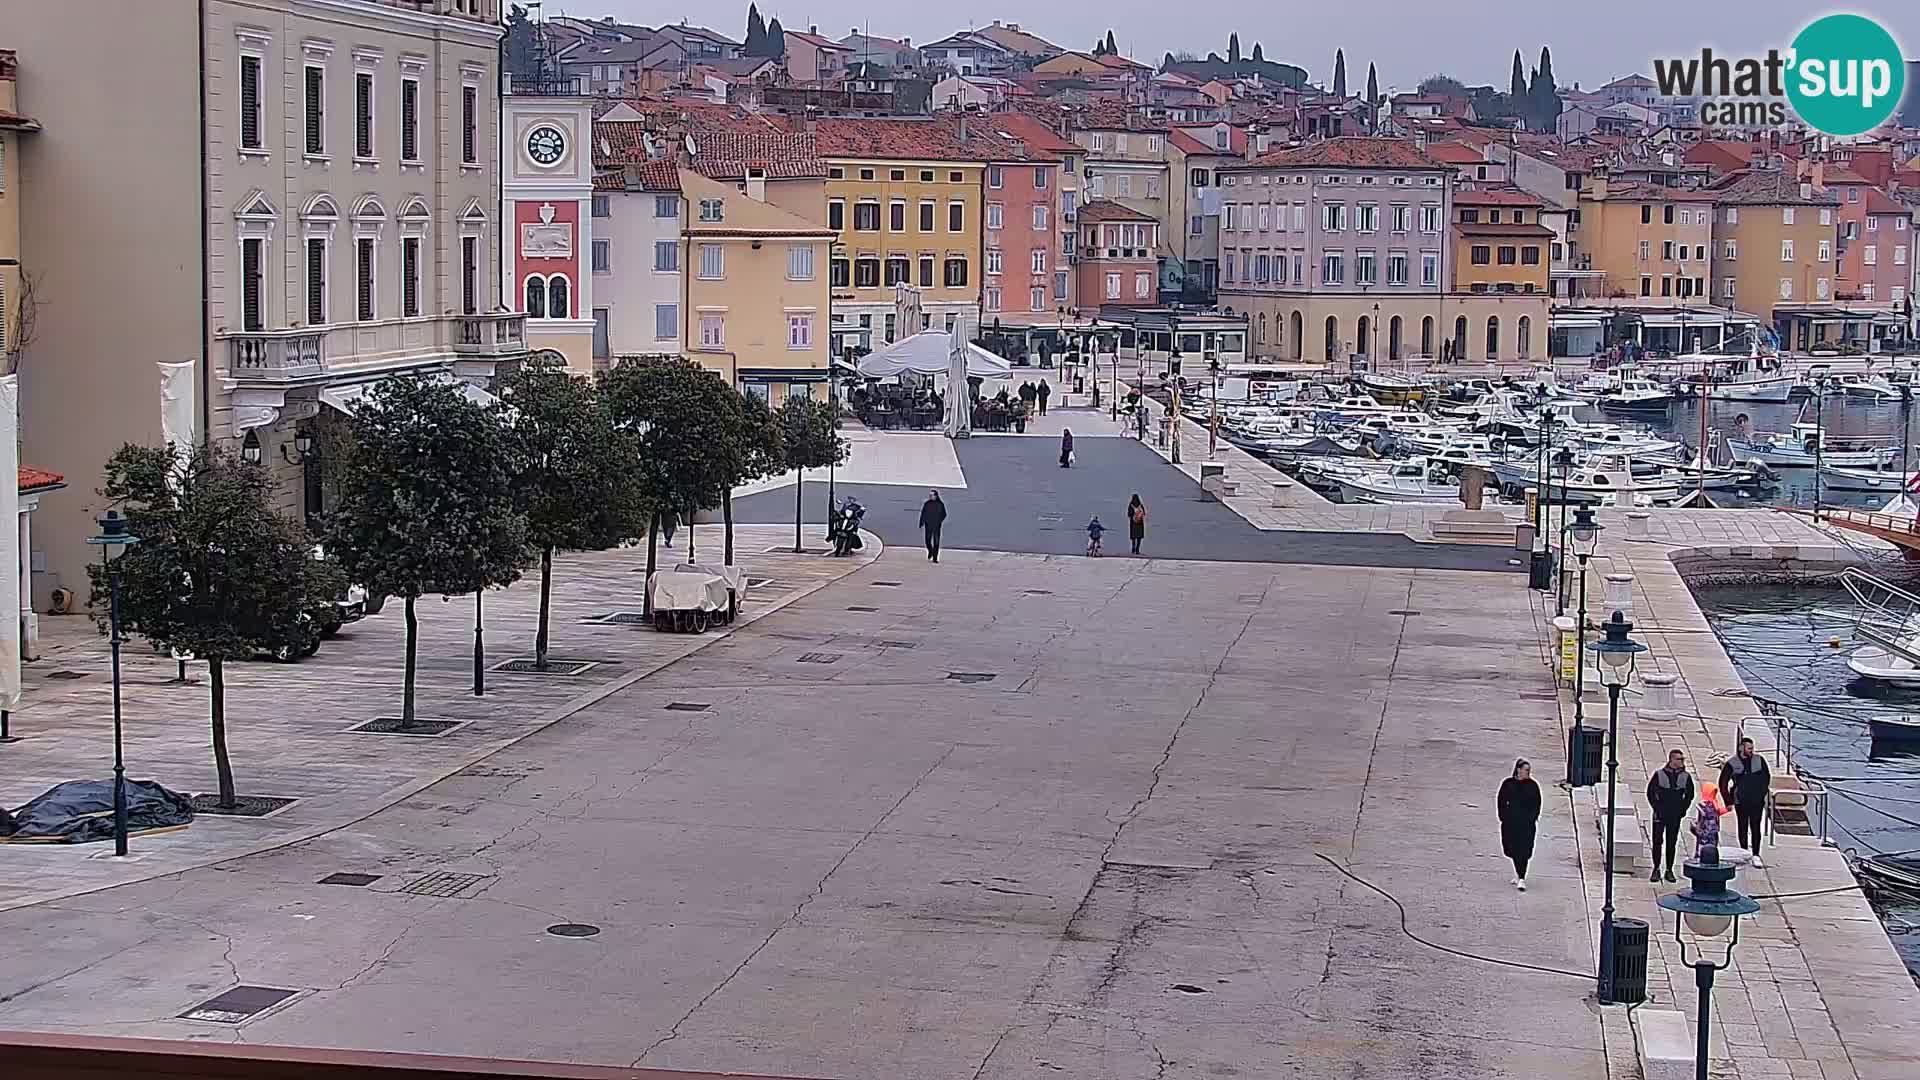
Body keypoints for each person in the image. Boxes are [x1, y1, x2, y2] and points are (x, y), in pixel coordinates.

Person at [1718, 737, 1772, 867]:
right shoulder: (1732, 763)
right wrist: (1728, 801)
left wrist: (1762, 793)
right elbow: (1723, 783)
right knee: (1742, 826)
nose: (1751, 751)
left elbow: (1766, 777)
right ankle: (1743, 851)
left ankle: (1756, 854)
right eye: (1749, 748)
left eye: (1752, 748)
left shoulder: (1759, 760)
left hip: (1757, 800)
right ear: (1741, 748)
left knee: (1756, 827)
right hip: (1740, 800)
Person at [1645, 748, 1694, 883]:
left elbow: (1690, 795)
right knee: (1657, 841)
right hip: (1660, 813)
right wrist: (1656, 808)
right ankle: (1656, 868)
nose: (1682, 761)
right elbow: (1650, 793)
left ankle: (1669, 869)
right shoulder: (1659, 774)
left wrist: (1683, 810)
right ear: (1671, 760)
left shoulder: (1686, 777)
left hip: (1675, 814)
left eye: (1682, 759)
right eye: (1679, 759)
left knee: (1671, 842)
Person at [1497, 759, 1542, 891]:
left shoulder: (1533, 786)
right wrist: (1503, 817)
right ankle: (1518, 873)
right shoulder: (1508, 784)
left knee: (1523, 850)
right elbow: (1501, 800)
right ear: (1518, 770)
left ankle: (1522, 877)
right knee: (1512, 848)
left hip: (1526, 824)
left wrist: (1532, 818)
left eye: (1529, 770)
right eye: (1526, 770)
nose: (1528, 772)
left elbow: (1537, 804)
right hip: (1511, 823)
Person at [1690, 785, 1723, 861]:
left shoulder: (1710, 804)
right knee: (1707, 847)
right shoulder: (1709, 804)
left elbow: (1706, 815)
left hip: (1709, 831)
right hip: (1709, 831)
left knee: (1706, 847)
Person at [917, 490, 947, 562]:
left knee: (936, 542)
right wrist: (921, 522)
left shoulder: (940, 504)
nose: (930, 496)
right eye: (930, 495)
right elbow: (923, 513)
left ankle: (935, 558)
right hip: (928, 526)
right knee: (927, 541)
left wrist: (939, 521)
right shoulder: (927, 504)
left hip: (936, 526)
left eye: (932, 495)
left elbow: (944, 514)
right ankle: (930, 551)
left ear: (936, 496)